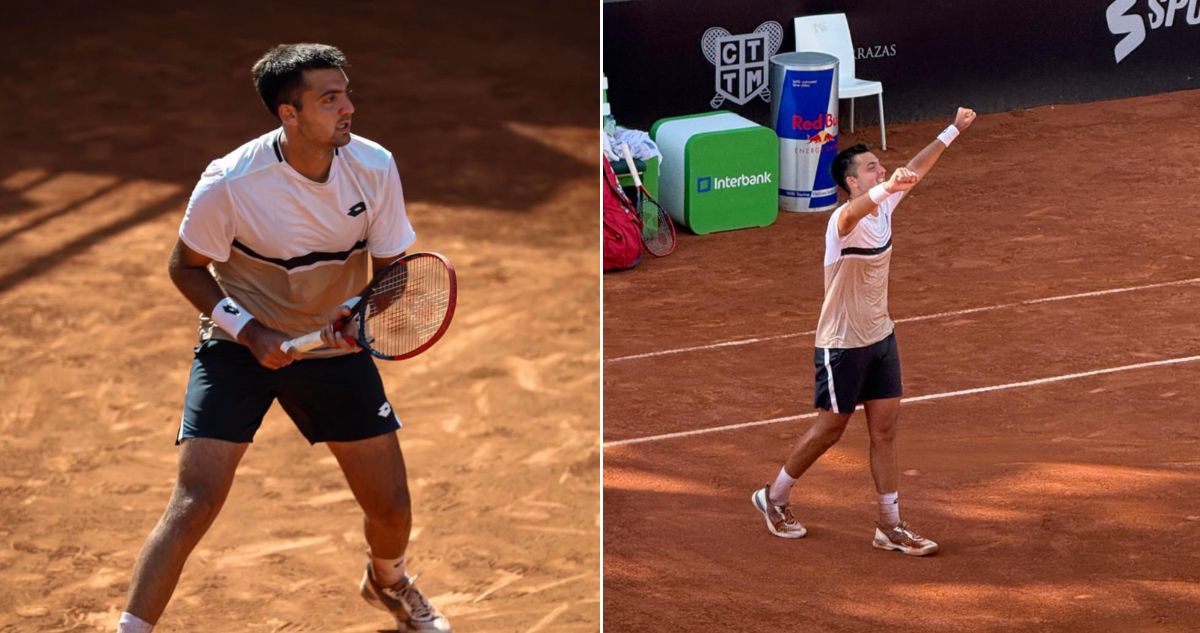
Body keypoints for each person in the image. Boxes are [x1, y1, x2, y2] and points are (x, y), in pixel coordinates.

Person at [116, 43, 451, 632]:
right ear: (288, 114)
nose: (348, 107)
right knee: (195, 500)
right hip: (239, 345)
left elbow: (395, 272)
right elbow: (185, 266)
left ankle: (389, 581)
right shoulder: (230, 183)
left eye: (346, 92)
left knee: (391, 507)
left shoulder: (374, 166)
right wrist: (249, 332)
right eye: (330, 98)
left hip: (332, 346)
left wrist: (356, 312)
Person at [752, 107, 978, 556]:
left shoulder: (886, 203)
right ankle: (773, 497)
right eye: (870, 167)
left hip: (880, 337)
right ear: (852, 181)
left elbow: (915, 168)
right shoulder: (841, 223)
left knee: (885, 431)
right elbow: (861, 206)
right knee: (830, 430)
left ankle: (890, 525)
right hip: (840, 345)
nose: (881, 168)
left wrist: (952, 129)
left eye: (879, 164)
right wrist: (887, 185)